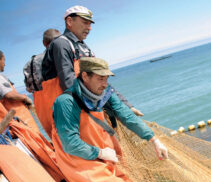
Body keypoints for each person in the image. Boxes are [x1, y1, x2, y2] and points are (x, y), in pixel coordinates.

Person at [51, 57, 168, 182]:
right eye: (100, 78)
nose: (105, 83)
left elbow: (125, 115)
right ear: (85, 76)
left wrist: (153, 139)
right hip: (80, 161)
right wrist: (99, 152)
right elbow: (69, 143)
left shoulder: (103, 93)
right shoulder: (66, 102)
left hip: (104, 151)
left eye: (106, 78)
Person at [37, 5, 143, 138]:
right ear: (70, 21)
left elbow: (100, 80)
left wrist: (124, 104)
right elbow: (68, 83)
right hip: (74, 115)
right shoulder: (61, 44)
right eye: (85, 22)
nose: (89, 28)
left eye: (90, 24)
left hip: (88, 111)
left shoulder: (84, 48)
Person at [0, 50, 40, 133]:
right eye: (4, 60)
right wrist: (25, 98)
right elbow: (9, 95)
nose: (5, 64)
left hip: (17, 120)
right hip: (19, 119)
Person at [23, 28, 61, 94]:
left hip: (42, 102)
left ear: (44, 43)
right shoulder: (64, 55)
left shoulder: (29, 64)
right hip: (65, 98)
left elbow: (29, 89)